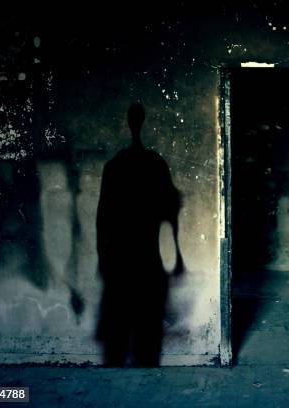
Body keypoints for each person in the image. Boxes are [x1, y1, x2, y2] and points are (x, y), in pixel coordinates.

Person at [95, 102, 183, 366]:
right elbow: (171, 212)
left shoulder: (115, 166)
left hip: (120, 257)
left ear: (129, 123)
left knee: (120, 328)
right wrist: (177, 256)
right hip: (146, 257)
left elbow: (103, 218)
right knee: (146, 327)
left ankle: (119, 378)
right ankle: (143, 373)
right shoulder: (155, 163)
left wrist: (103, 256)